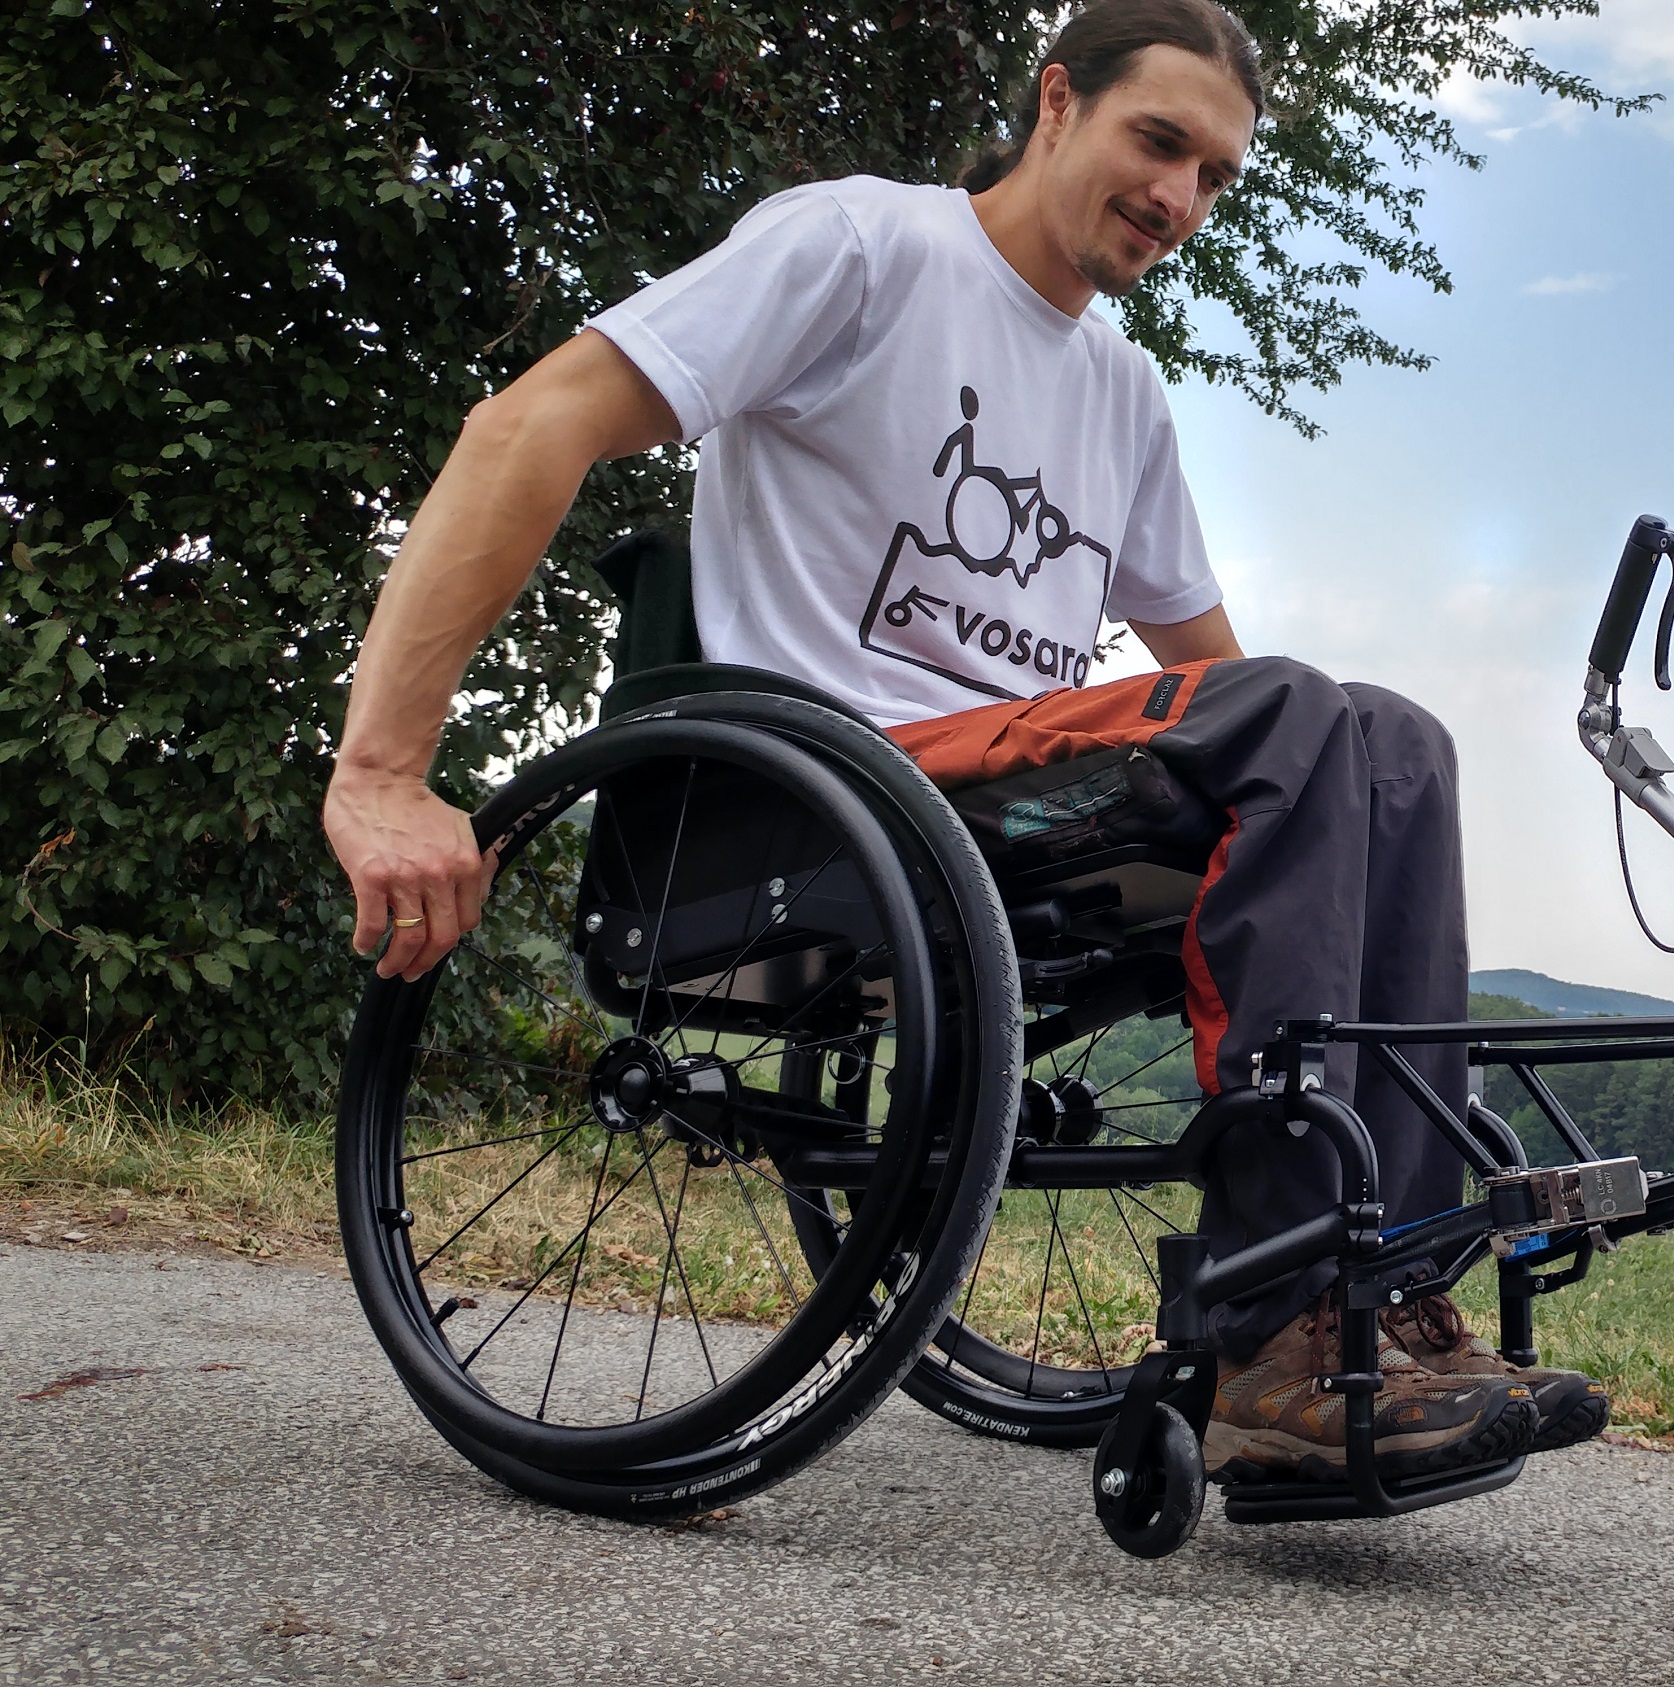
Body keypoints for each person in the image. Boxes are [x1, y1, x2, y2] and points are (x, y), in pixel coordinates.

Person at [319, 0, 1606, 1485]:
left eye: (1214, 176)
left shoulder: (1121, 391)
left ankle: (1388, 1288)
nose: (1180, 198)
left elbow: (1226, 679)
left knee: (1396, 743)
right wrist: (384, 773)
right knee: (1310, 719)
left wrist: (1328, 799)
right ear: (1057, 101)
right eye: (1158, 142)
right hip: (841, 777)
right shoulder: (862, 248)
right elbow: (524, 426)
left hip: (1010, 796)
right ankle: (1277, 1325)